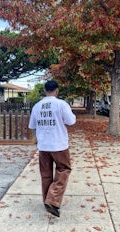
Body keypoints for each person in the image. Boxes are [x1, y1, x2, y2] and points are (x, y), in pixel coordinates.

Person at [28, 80, 76, 217]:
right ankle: (53, 199)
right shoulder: (61, 104)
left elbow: (32, 126)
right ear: (57, 90)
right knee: (64, 169)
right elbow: (71, 121)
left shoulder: (37, 106)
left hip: (43, 146)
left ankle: (47, 200)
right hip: (59, 144)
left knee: (46, 174)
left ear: (45, 90)